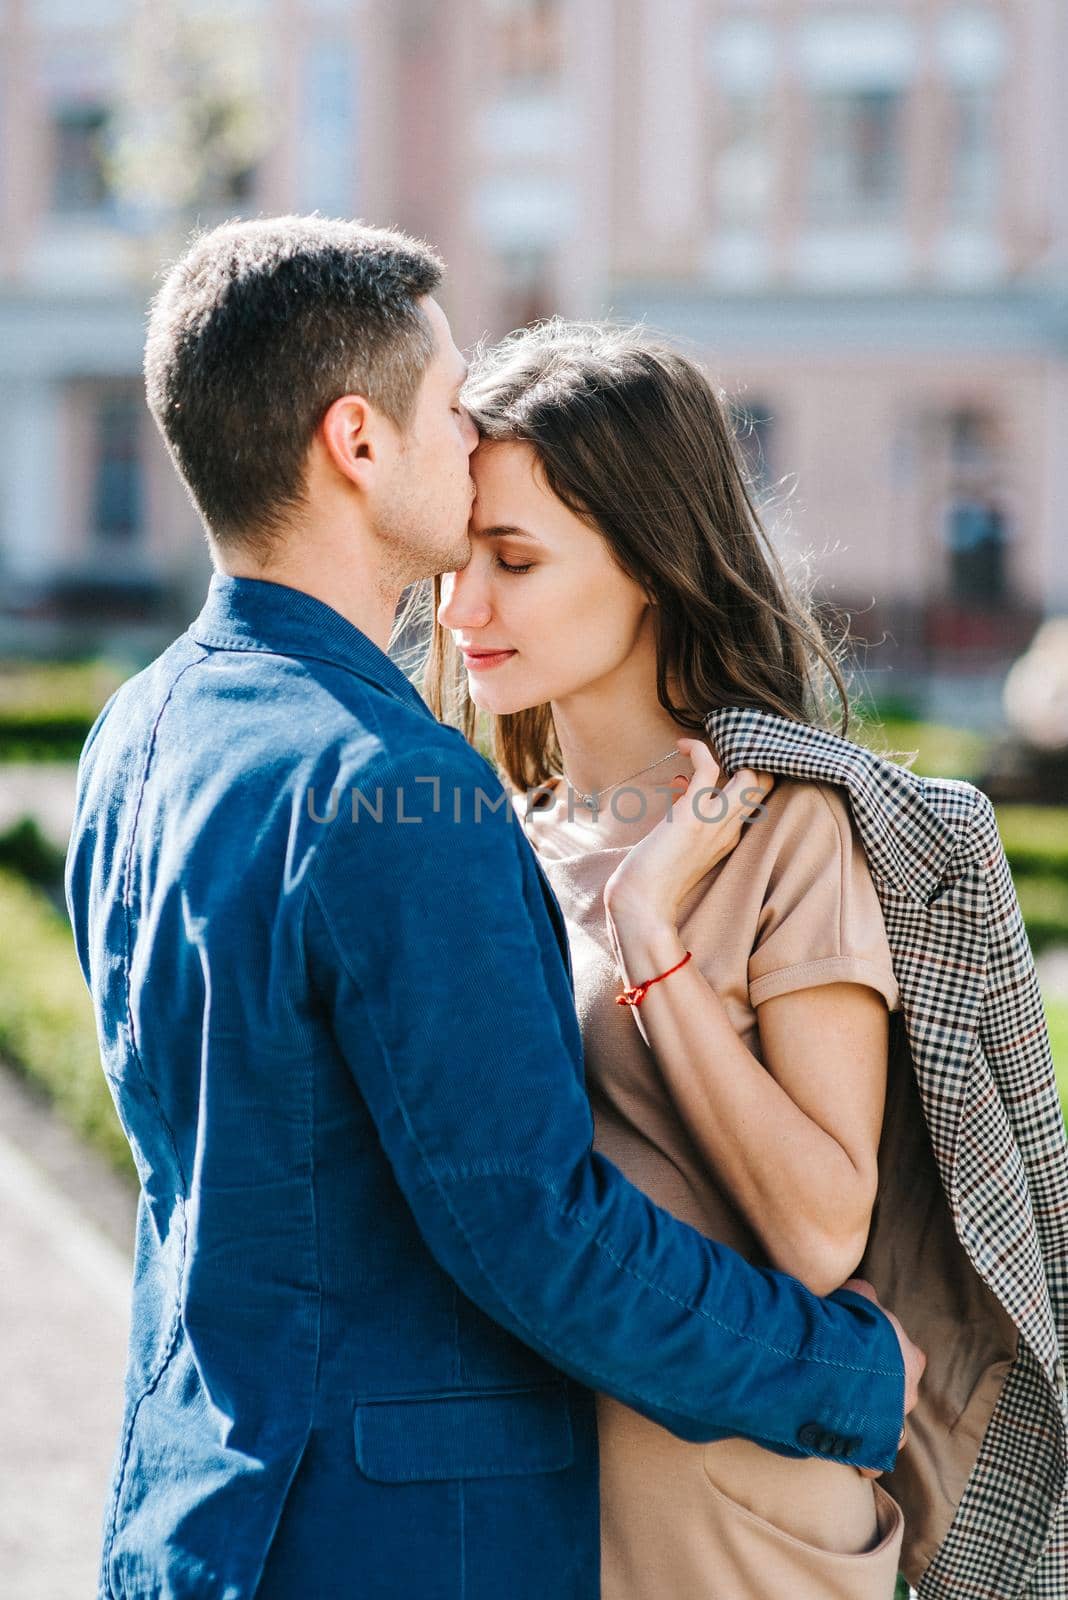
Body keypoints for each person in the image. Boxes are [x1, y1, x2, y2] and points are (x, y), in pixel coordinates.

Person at [64, 216, 922, 1600]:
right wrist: (847, 1372)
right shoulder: (402, 787)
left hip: (195, 1502)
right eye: (447, 405)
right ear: (357, 442)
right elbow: (535, 1230)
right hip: (388, 1544)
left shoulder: (136, 733)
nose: (466, 441)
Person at [429, 318, 914, 1598]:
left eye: (514, 560)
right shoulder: (493, 839)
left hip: (740, 1531)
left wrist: (651, 935)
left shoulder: (785, 830)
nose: (460, 606)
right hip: (534, 1520)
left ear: (649, 561)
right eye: (453, 557)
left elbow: (819, 1230)